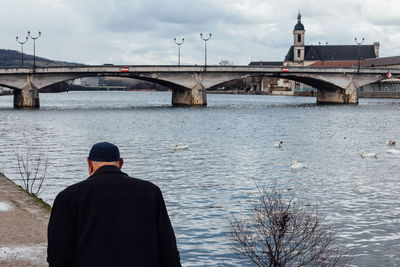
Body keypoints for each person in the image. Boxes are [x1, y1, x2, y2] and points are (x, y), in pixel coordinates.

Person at [47, 142, 181, 267]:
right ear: (121, 162)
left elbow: (58, 251)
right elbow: (167, 246)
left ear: (89, 163)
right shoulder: (151, 192)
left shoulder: (68, 196)